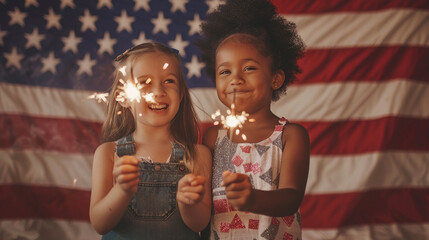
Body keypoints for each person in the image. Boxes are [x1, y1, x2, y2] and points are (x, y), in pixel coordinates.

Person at [196, 0, 310, 239]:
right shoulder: (212, 137)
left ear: (276, 79)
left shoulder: (291, 135)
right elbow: (203, 207)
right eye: (225, 71)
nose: (235, 79)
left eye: (249, 68)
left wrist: (253, 198)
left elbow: (291, 198)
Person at [89, 42, 212, 239]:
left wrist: (189, 203)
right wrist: (121, 191)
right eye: (144, 82)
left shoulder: (198, 154)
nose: (158, 92)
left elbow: (201, 223)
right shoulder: (108, 153)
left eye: (169, 81)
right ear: (123, 96)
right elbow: (99, 223)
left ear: (181, 94)